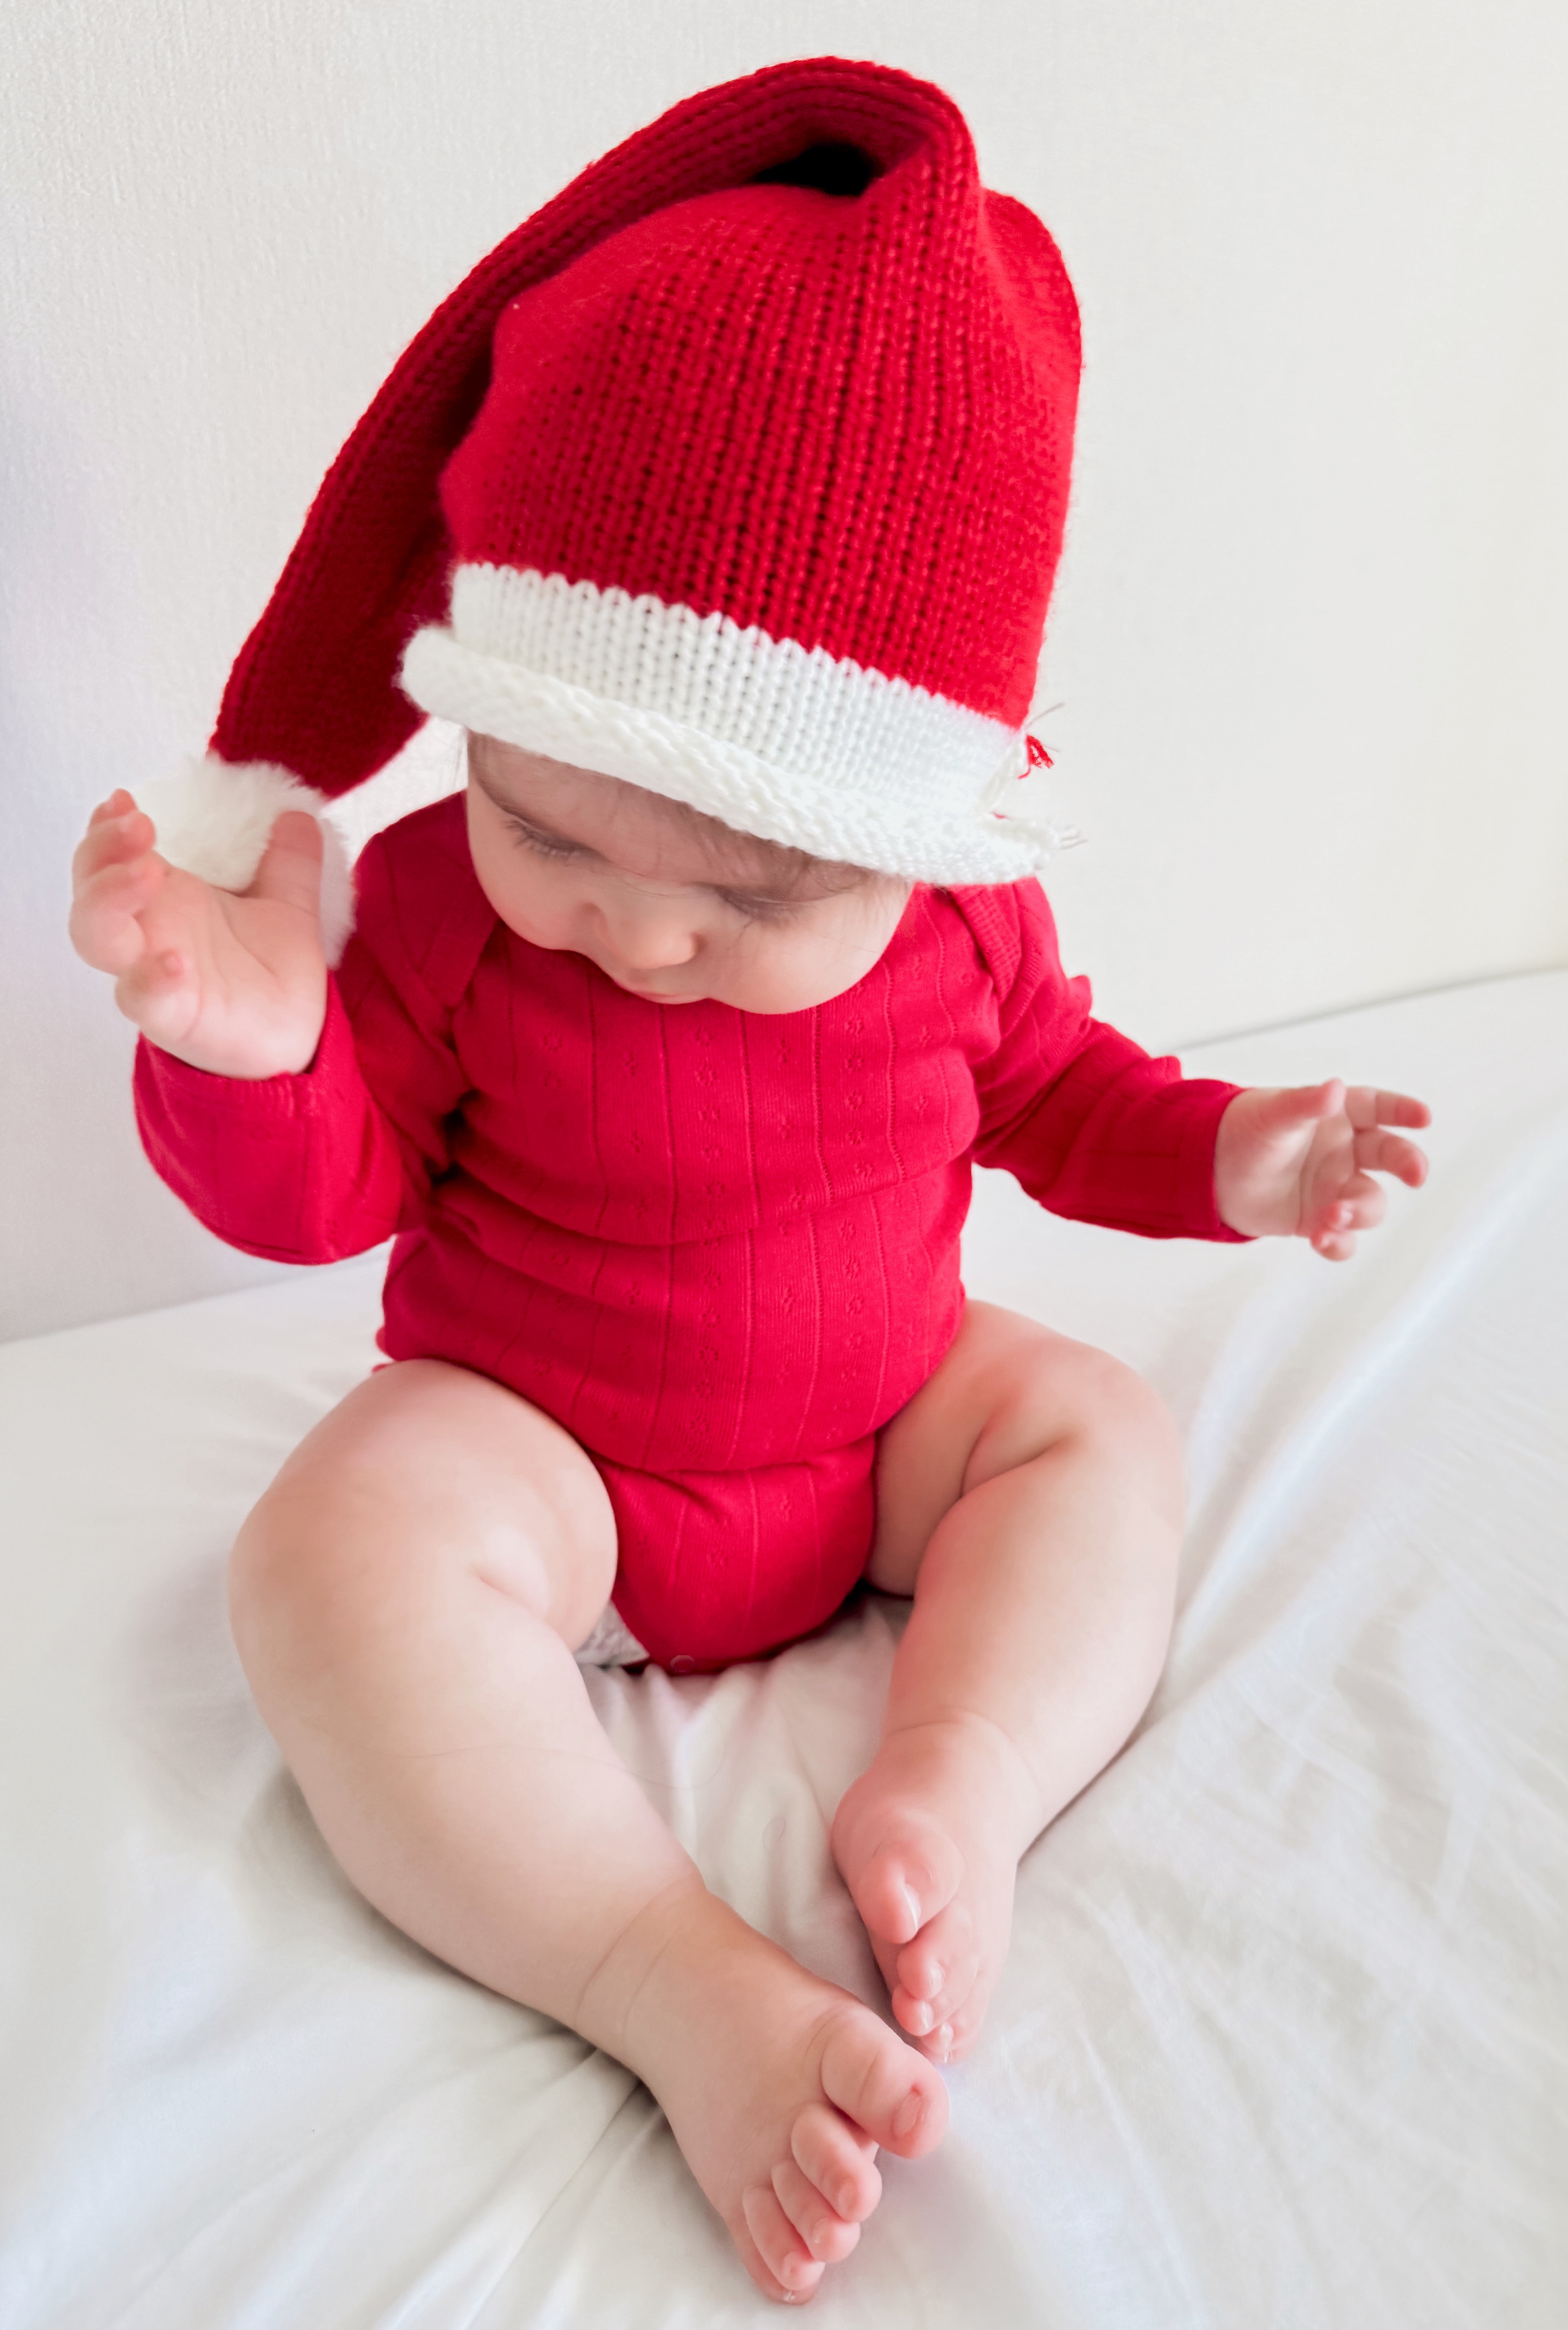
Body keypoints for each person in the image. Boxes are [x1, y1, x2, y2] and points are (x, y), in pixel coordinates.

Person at [68, 60, 1429, 2305]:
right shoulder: (434, 914)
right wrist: (255, 1042)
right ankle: (654, 1965)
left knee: (1098, 1425)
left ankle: (961, 1785)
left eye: (758, 893)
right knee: (332, 1550)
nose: (639, 927)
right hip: (554, 1453)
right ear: (477, 726)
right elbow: (324, 1197)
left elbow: (1060, 1091)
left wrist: (1242, 1155)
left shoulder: (965, 929)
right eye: (559, 827)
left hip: (886, 1429)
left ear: (928, 832)